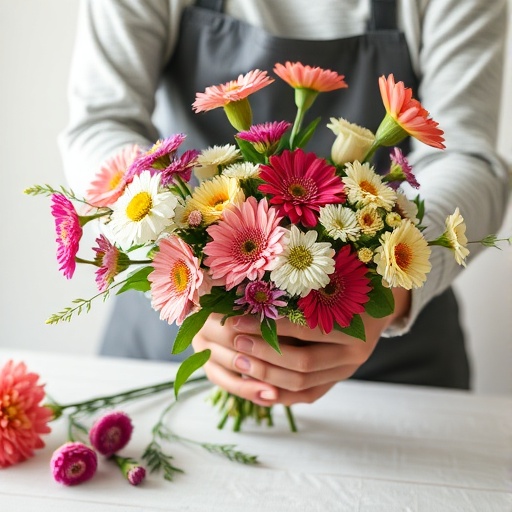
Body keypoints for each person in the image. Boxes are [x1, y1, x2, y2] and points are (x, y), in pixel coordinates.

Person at [59, 0, 510, 406]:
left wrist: (389, 289)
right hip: (174, 320)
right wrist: (186, 263)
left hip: (391, 366)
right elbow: (101, 121)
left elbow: (465, 155)